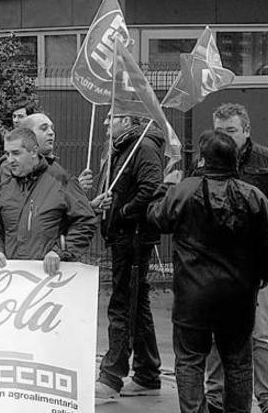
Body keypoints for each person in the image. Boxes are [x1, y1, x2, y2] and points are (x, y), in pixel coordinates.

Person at [147, 130, 268, 413]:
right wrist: (262, 275)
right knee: (238, 362)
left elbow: (157, 217)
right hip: (239, 295)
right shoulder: (252, 196)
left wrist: (164, 188)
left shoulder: (186, 190)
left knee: (190, 360)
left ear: (204, 160)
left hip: (193, 296)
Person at [206, 103, 268, 413]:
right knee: (217, 335)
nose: (225, 138)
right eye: (220, 132)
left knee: (262, 335)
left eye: (231, 131)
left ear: (246, 131)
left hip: (255, 264)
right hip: (217, 264)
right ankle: (215, 397)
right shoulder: (204, 162)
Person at [92, 114, 165, 399]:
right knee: (136, 301)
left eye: (113, 118)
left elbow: (152, 188)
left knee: (122, 302)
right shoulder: (124, 147)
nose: (106, 123)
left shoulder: (142, 146)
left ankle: (112, 375)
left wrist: (123, 212)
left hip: (133, 236)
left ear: (128, 120)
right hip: (125, 236)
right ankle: (147, 372)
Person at [0, 127, 96, 275]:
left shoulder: (61, 181)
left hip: (49, 278)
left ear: (34, 151)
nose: (10, 160)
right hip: (10, 278)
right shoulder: (3, 189)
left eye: (16, 153)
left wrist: (60, 252)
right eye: (7, 154)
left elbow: (85, 221)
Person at [0, 112, 60, 187]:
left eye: (52, 128)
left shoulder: (56, 168)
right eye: (44, 128)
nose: (51, 133)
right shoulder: (10, 166)